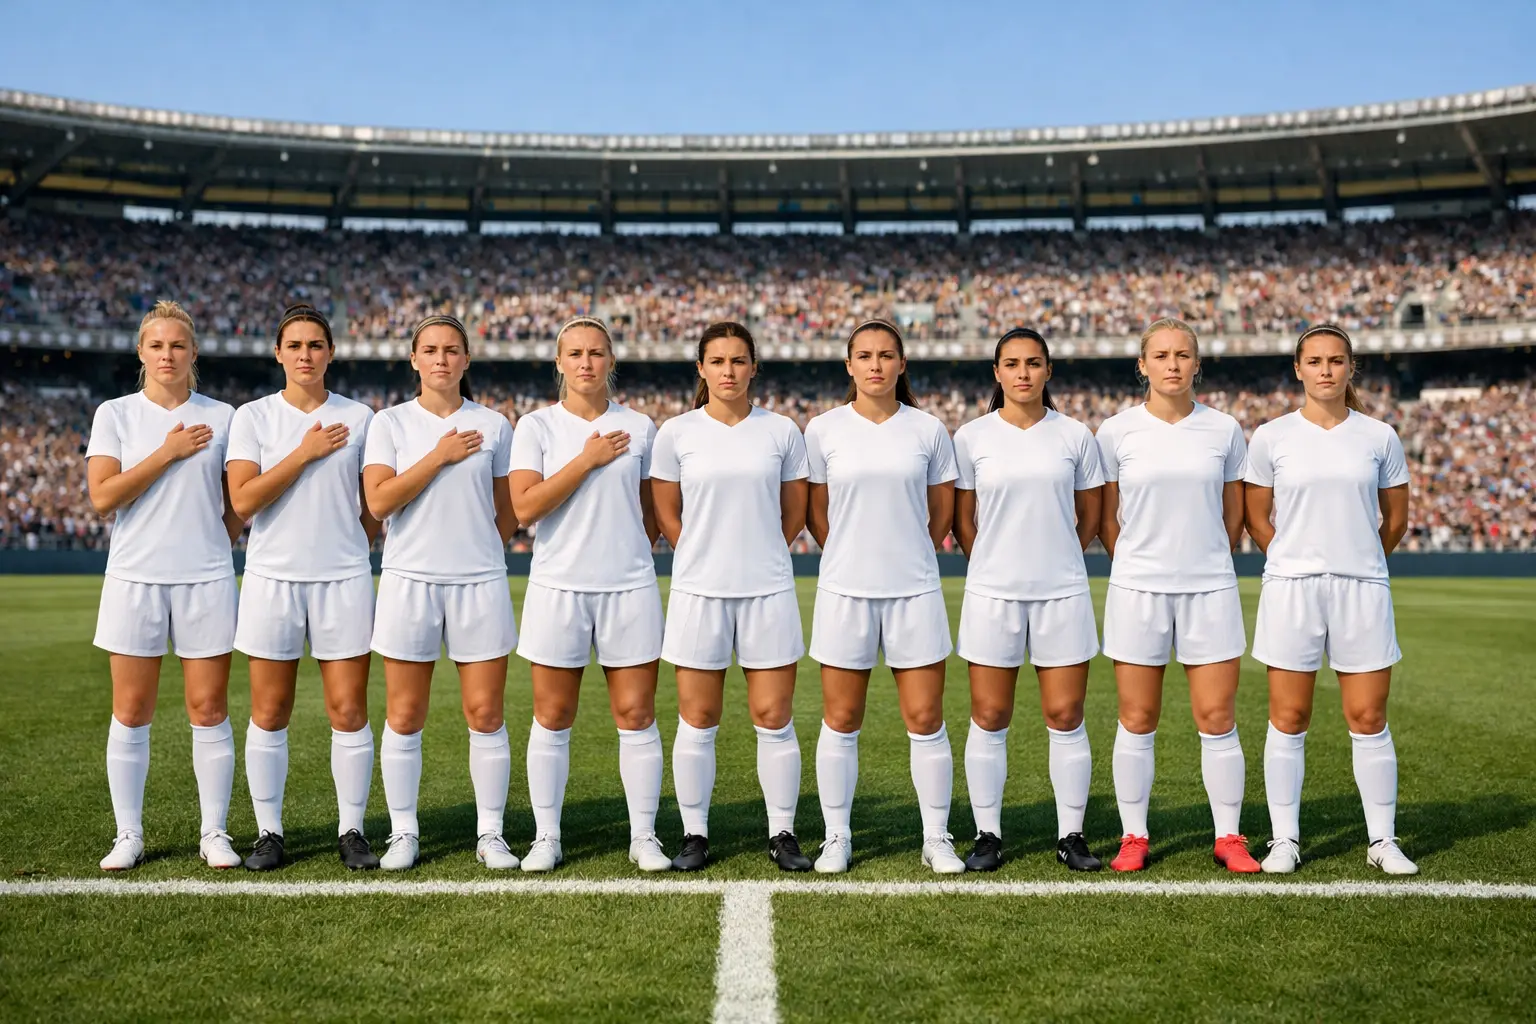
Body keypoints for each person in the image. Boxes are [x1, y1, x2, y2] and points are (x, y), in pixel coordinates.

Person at [1245, 324, 1416, 875]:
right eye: (1314, 361)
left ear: (1350, 368)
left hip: (1362, 588)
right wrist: (1291, 556)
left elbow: (1397, 521)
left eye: (1336, 361)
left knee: (1368, 716)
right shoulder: (1271, 437)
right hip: (1291, 588)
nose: (1325, 370)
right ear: (1298, 370)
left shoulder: (1380, 436)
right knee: (1289, 716)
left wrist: (1360, 557)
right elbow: (1255, 516)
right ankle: (1284, 840)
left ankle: (1382, 840)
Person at [1096, 317, 1260, 874]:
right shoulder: (1115, 431)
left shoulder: (1225, 430)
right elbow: (1106, 519)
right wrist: (1138, 564)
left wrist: (1205, 560)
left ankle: (1228, 835)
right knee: (1137, 716)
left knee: (1217, 715)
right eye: (1160, 355)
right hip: (1137, 588)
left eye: (1182, 354)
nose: (1172, 364)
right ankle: (1133, 835)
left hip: (1209, 587)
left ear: (1197, 363)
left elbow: (1234, 514)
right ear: (1142, 365)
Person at [86, 300, 244, 871]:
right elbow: (103, 496)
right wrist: (168, 452)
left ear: (193, 352)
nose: (167, 354)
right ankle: (128, 833)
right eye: (157, 345)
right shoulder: (116, 414)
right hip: (134, 578)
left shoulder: (225, 416)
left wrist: (208, 543)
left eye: (178, 345)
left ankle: (214, 832)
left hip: (205, 579)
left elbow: (236, 507)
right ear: (141, 352)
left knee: (208, 708)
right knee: (131, 710)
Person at [804, 318, 964, 875]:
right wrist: (851, 553)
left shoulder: (929, 430)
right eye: (864, 356)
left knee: (925, 717)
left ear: (902, 364)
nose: (875, 365)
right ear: (849, 366)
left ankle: (936, 837)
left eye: (886, 355)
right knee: (841, 718)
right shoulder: (822, 430)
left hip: (914, 590)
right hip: (844, 590)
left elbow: (940, 515)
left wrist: (904, 554)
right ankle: (837, 836)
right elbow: (817, 515)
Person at [509, 316, 668, 874]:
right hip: (557, 588)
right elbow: (525, 508)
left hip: (629, 586)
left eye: (596, 353)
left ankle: (644, 836)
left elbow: (653, 514)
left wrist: (621, 549)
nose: (585, 363)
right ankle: (546, 836)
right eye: (574, 353)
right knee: (552, 715)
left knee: (636, 713)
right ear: (559, 362)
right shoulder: (535, 427)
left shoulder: (643, 427)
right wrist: (585, 460)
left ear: (610, 361)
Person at [651, 322, 812, 872]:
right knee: (697, 716)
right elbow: (666, 514)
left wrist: (756, 552)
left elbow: (793, 514)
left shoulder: (782, 432)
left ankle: (782, 832)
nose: (728, 371)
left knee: (774, 715)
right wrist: (700, 553)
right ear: (701, 369)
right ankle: (695, 832)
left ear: (753, 368)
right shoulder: (676, 433)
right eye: (717, 362)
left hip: (767, 587)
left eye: (738, 361)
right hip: (699, 590)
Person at [226, 304, 381, 871]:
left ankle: (352, 829)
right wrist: (304, 452)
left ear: (331, 353)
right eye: (295, 345)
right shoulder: (254, 418)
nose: (306, 355)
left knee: (348, 708)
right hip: (272, 577)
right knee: (270, 710)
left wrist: (348, 544)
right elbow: (243, 501)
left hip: (343, 578)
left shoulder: (363, 418)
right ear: (278, 353)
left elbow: (373, 509)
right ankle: (270, 832)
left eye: (316, 345)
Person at [362, 314, 519, 872]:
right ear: (414, 359)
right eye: (430, 350)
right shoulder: (390, 424)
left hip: (479, 582)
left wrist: (476, 548)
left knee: (485, 712)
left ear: (466, 360)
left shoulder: (496, 424)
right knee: (404, 714)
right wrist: (438, 456)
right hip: (409, 581)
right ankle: (403, 832)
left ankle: (492, 833)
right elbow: (379, 503)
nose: (441, 359)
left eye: (452, 350)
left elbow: (508, 512)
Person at [952, 328, 1104, 872]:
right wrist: (992, 562)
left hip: (1061, 591)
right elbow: (962, 520)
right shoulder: (971, 437)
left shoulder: (1076, 436)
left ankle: (1071, 834)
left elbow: (1090, 517)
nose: (1022, 373)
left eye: (1033, 363)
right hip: (992, 592)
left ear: (1048, 372)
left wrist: (1056, 555)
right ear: (996, 373)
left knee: (1065, 714)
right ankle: (988, 832)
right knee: (990, 714)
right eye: (1012, 364)